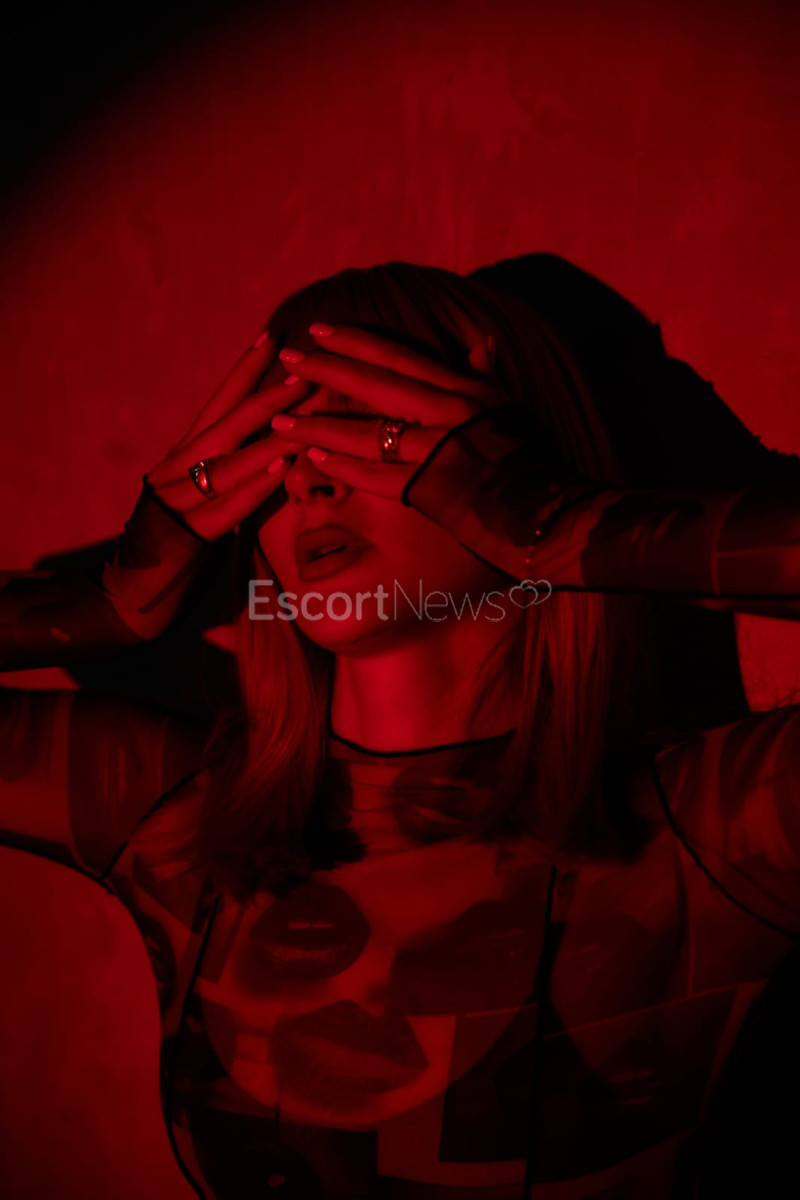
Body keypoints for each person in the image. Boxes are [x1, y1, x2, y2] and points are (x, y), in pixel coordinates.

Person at [1, 259, 799, 1199]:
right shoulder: (176, 823)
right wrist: (107, 599)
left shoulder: (720, 828)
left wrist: (563, 524)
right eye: (275, 445)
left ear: (505, 464)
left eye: (372, 433)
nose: (311, 484)